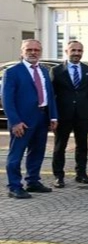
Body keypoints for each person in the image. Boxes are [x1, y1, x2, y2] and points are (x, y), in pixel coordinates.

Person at [4, 39, 58, 199]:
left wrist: (53, 116)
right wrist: (15, 121)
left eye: (36, 50)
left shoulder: (44, 71)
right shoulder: (12, 72)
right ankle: (14, 186)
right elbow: (7, 100)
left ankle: (33, 181)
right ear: (22, 52)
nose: (33, 52)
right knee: (16, 154)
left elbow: (50, 96)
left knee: (37, 152)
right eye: (29, 49)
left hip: (42, 118)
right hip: (22, 121)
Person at [51, 40, 88, 187]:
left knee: (82, 145)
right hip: (63, 114)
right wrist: (52, 115)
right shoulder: (57, 71)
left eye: (79, 51)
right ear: (66, 51)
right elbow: (52, 95)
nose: (76, 53)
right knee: (60, 146)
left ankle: (81, 174)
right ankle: (58, 176)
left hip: (82, 114)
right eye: (73, 50)